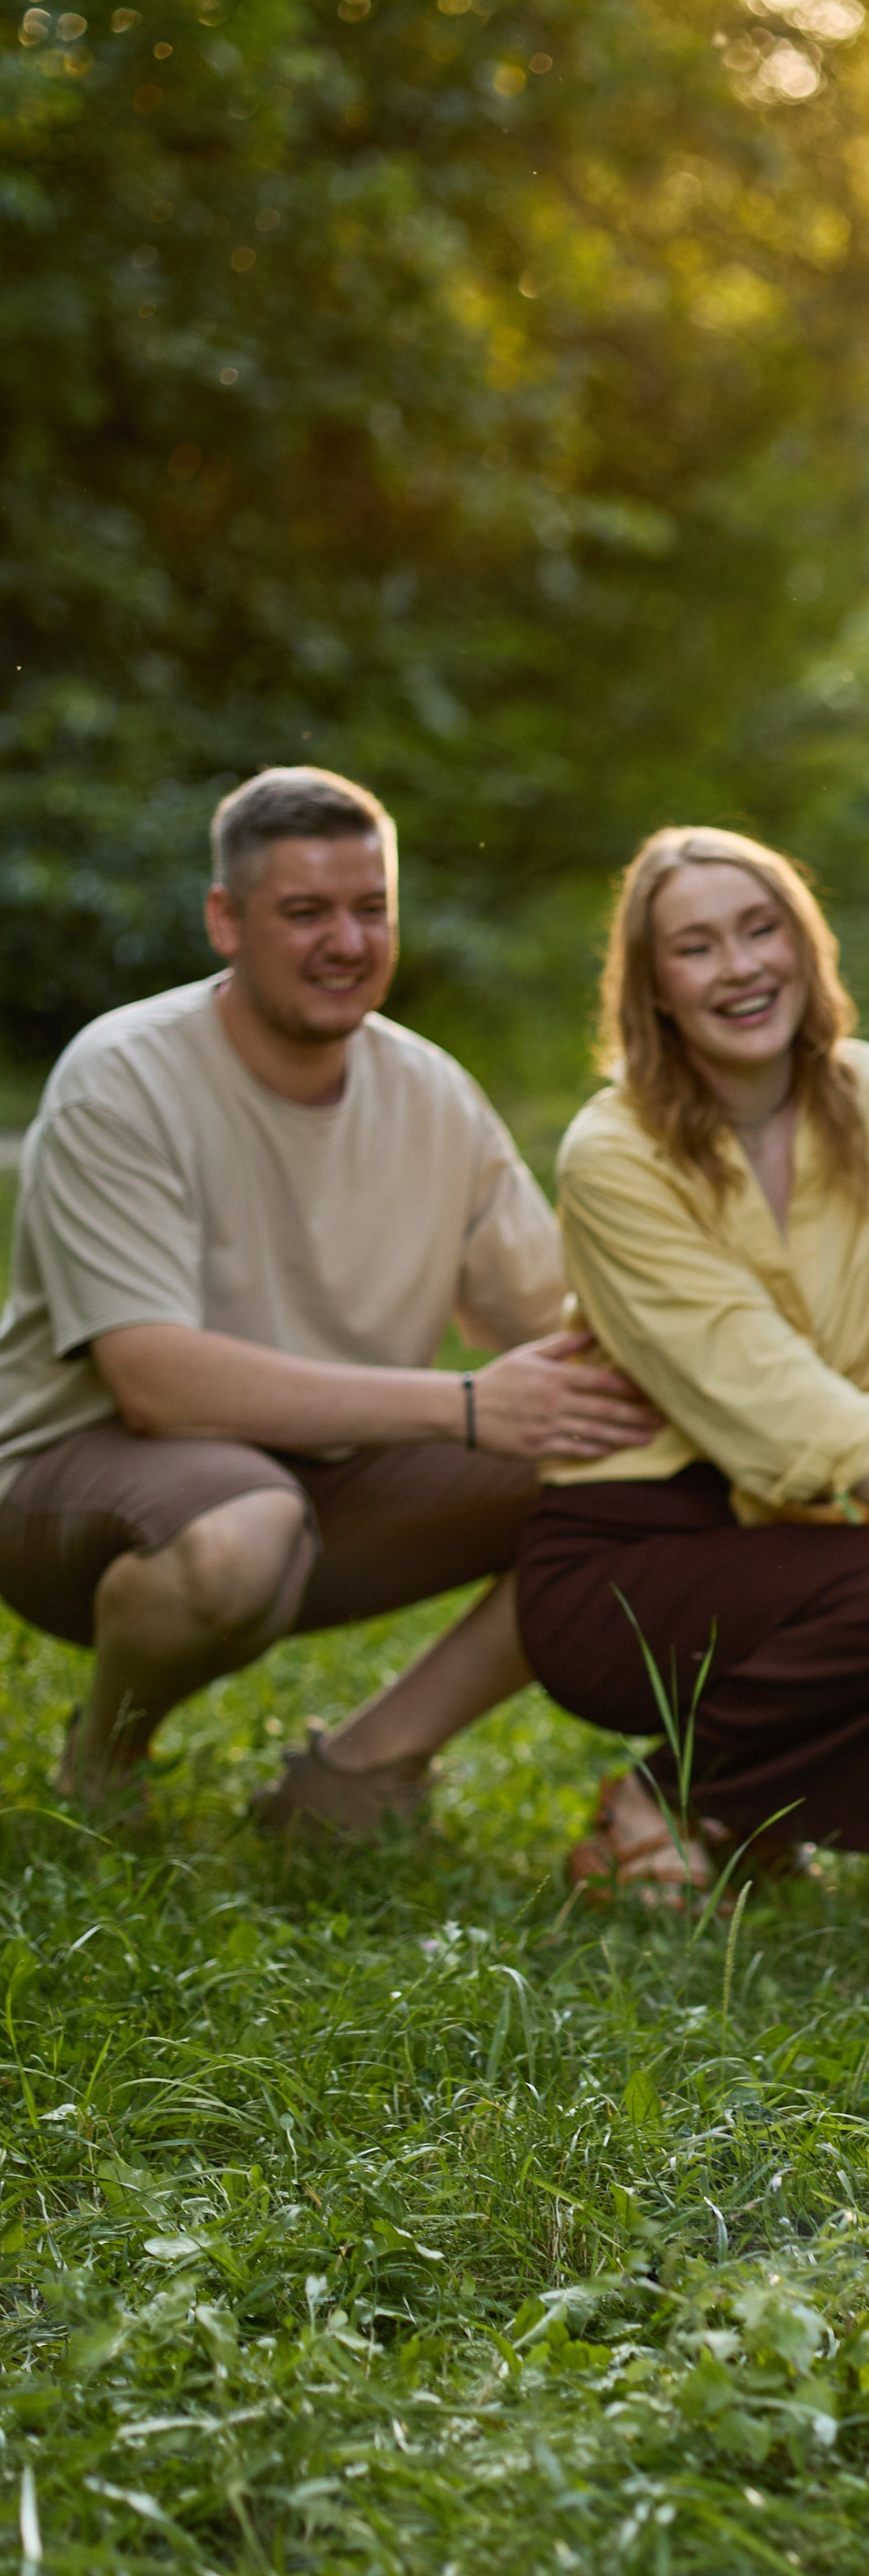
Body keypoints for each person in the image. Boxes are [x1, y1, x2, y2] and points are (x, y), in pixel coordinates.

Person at [0, 765, 657, 1829]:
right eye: (304, 912)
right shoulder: (122, 1077)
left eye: (370, 909)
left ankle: (358, 1773)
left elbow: (563, 1327)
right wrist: (464, 1409)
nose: (345, 943)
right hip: (81, 1495)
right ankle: (105, 1758)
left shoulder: (432, 1091)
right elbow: (153, 1381)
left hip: (338, 1488)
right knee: (241, 1530)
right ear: (226, 918)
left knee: (640, 1463)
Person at [514, 825, 869, 1899]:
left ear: (806, 943)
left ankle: (743, 1824)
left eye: (759, 928)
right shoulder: (611, 1151)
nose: (739, 967)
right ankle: (665, 1797)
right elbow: (763, 1387)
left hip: (784, 1538)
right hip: (623, 1557)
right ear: (651, 990)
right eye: (695, 948)